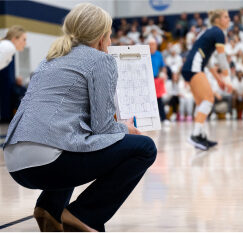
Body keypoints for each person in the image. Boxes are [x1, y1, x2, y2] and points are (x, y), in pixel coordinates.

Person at [3, 3, 157, 232]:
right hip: (49, 163)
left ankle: (50, 208)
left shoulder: (49, 60)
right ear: (102, 36)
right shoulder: (100, 60)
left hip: (15, 163)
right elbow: (103, 128)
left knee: (75, 137)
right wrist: (125, 128)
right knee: (144, 147)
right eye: (110, 34)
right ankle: (84, 215)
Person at [181, 9, 230, 150]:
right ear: (217, 20)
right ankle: (195, 135)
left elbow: (207, 61)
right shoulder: (218, 32)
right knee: (209, 99)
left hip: (190, 67)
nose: (228, 20)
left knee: (202, 102)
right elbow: (222, 58)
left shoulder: (209, 32)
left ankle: (201, 135)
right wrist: (227, 80)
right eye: (226, 17)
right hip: (194, 67)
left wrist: (219, 79)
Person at [0, 25, 27, 123]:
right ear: (15, 38)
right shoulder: (8, 47)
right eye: (24, 39)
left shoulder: (8, 49)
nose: (25, 43)